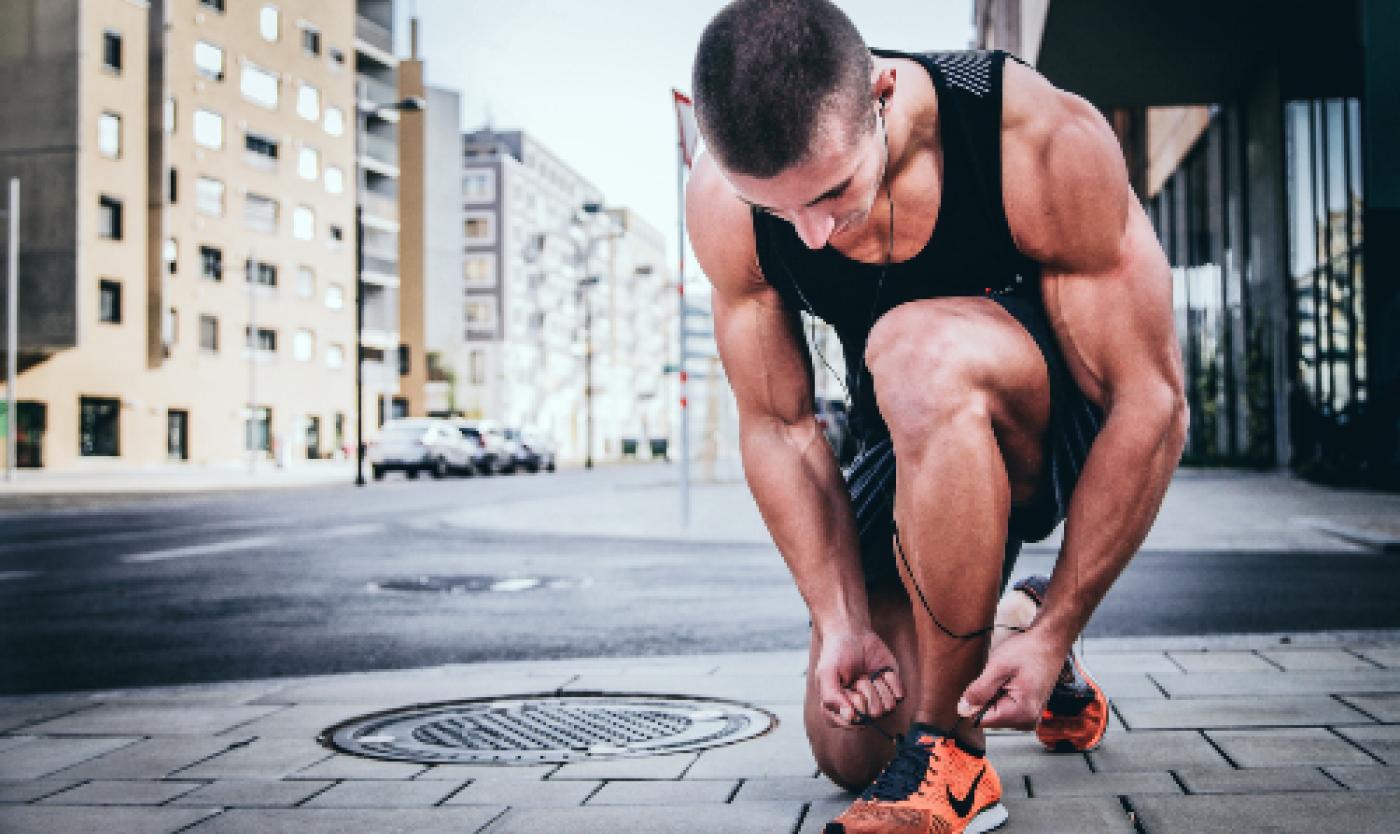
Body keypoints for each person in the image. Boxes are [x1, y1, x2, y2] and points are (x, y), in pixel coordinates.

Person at [685, 1, 1188, 832]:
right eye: (779, 212)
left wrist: (1064, 626)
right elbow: (779, 426)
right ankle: (1005, 622)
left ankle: (953, 762)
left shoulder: (1031, 136)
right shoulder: (724, 201)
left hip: (1047, 424)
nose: (810, 236)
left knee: (915, 348)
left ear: (881, 95)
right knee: (851, 749)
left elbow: (1152, 400)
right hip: (906, 430)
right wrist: (839, 618)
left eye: (834, 191)